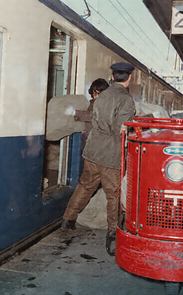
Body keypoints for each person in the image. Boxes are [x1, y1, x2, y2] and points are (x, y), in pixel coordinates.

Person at [62, 62, 136, 253]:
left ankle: (68, 218)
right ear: (129, 78)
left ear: (112, 77)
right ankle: (113, 231)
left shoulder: (102, 96)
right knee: (114, 194)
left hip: (93, 150)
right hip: (110, 154)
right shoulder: (126, 100)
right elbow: (122, 129)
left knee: (85, 185)